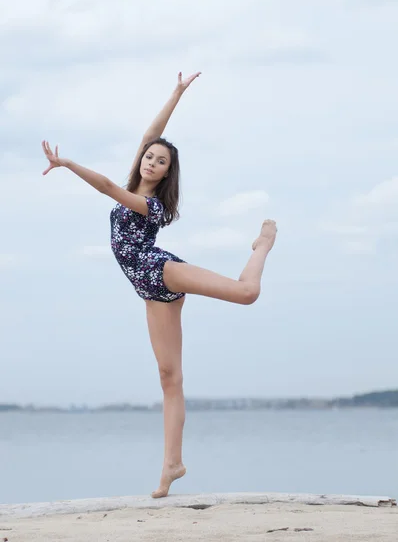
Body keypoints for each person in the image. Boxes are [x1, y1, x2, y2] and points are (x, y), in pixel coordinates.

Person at [41, 71, 277, 499]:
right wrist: (176, 93)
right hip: (148, 291)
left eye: (160, 161)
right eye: (148, 157)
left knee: (247, 293)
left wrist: (68, 163)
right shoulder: (139, 173)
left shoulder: (151, 206)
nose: (151, 161)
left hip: (160, 270)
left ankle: (261, 245)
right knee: (169, 377)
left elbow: (109, 187)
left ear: (167, 174)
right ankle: (172, 464)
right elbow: (153, 133)